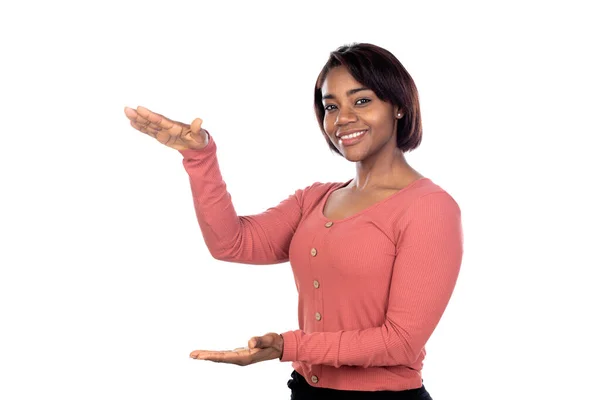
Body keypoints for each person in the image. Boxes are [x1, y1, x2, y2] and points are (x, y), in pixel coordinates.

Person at [124, 43, 463, 400]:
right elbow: (231, 243)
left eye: (361, 101)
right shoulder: (315, 199)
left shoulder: (429, 208)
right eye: (331, 106)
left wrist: (290, 346)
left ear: (398, 106)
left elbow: (400, 343)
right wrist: (199, 157)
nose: (342, 118)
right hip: (305, 392)